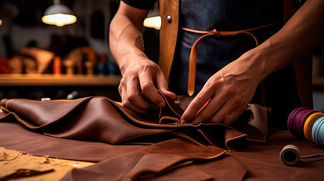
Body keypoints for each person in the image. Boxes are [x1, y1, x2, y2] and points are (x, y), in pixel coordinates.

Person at [109, 0, 324, 129]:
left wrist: (256, 65)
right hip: (180, 119)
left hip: (280, 115)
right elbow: (125, 17)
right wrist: (131, 58)